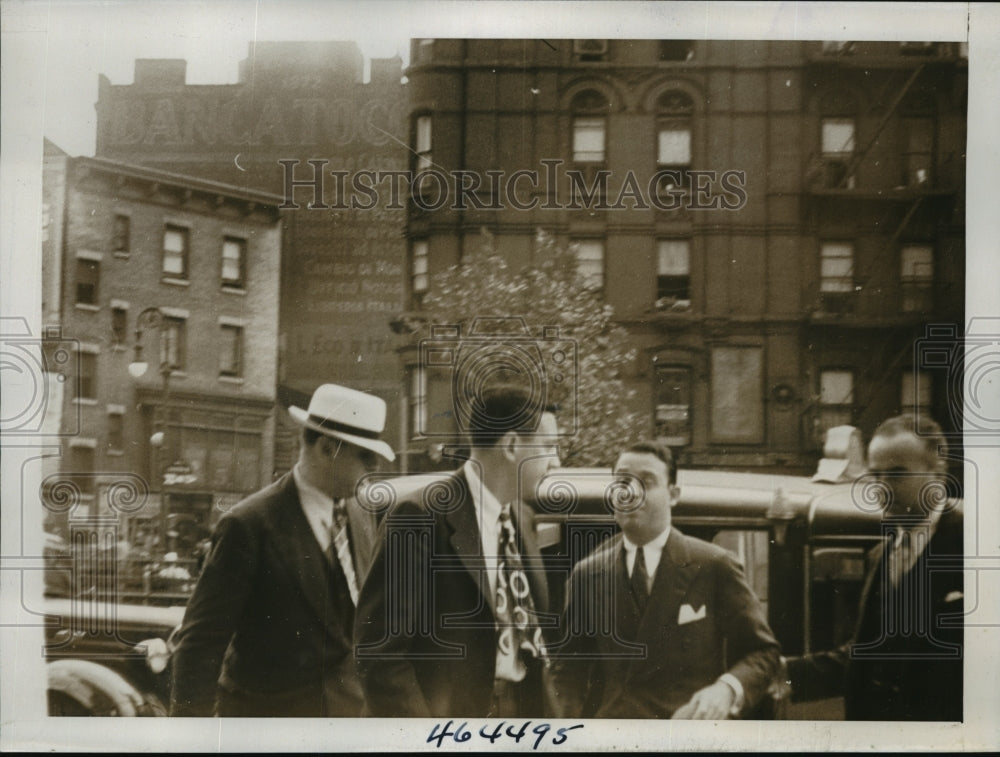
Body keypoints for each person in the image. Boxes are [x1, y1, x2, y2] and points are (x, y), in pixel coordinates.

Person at [169, 383, 395, 717]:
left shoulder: (361, 515)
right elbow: (201, 643)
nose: (374, 468)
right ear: (327, 447)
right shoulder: (248, 525)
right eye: (366, 456)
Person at [354, 382, 561, 717]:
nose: (557, 462)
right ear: (511, 445)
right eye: (549, 446)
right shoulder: (418, 517)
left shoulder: (522, 519)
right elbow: (380, 654)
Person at [550, 441, 781, 719]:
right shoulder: (588, 574)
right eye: (622, 481)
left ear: (673, 495)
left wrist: (725, 690)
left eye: (647, 481)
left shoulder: (714, 565)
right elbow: (569, 671)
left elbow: (763, 653)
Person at [786, 413, 963, 720]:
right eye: (875, 475)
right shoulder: (879, 555)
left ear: (938, 473)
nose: (881, 488)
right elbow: (868, 652)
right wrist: (782, 672)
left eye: (896, 474)